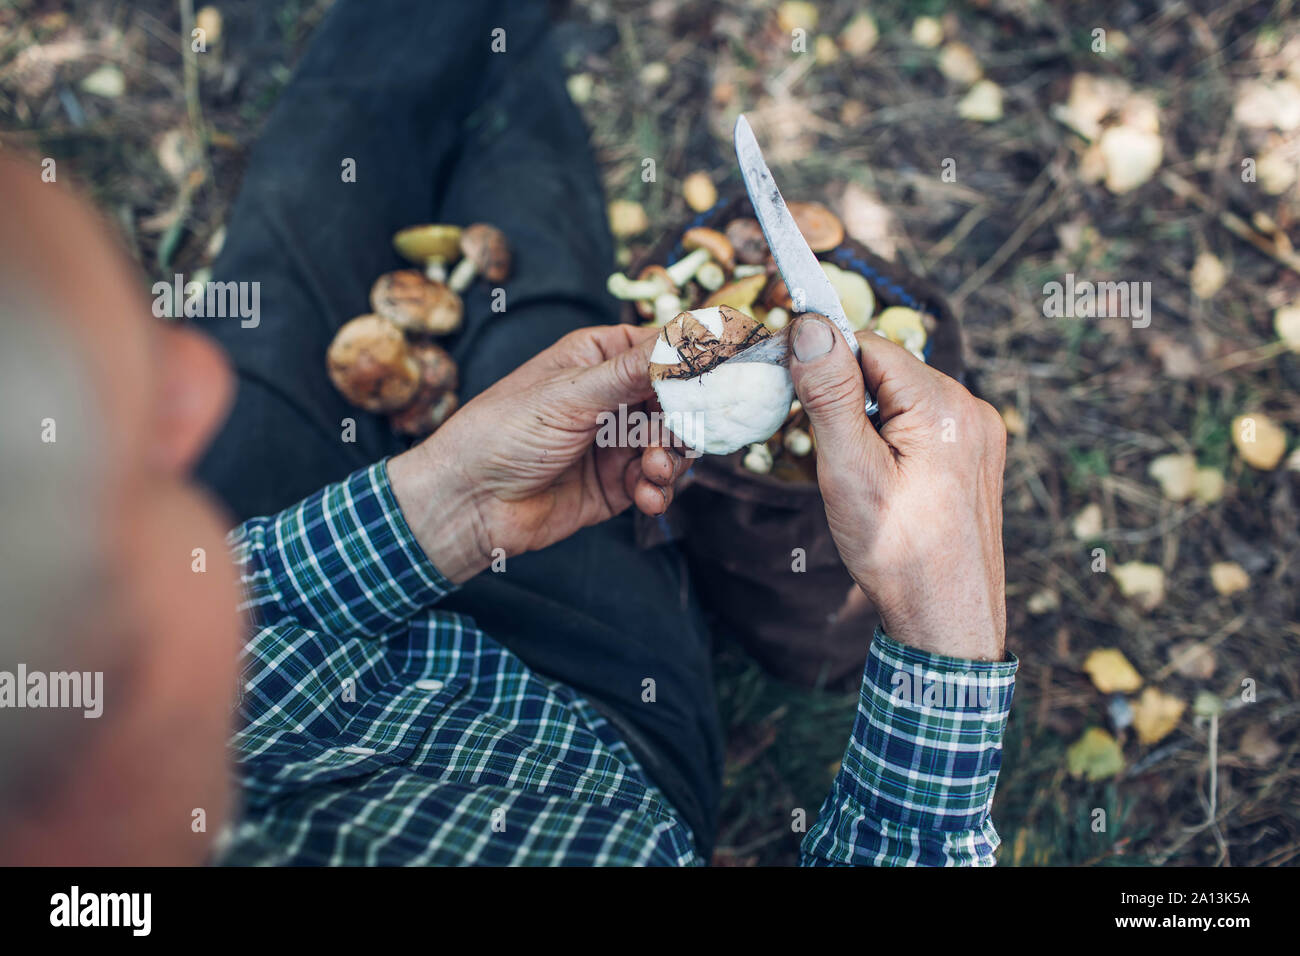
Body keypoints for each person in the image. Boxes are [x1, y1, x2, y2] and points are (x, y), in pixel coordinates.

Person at [0, 0, 1014, 866]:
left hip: (376, 547)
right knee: (536, 287)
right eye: (134, 451)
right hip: (586, 693)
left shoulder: (96, 710)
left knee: (312, 185)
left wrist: (441, 501)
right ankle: (518, 75)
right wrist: (944, 649)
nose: (195, 369)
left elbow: (239, 602)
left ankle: (501, 47)